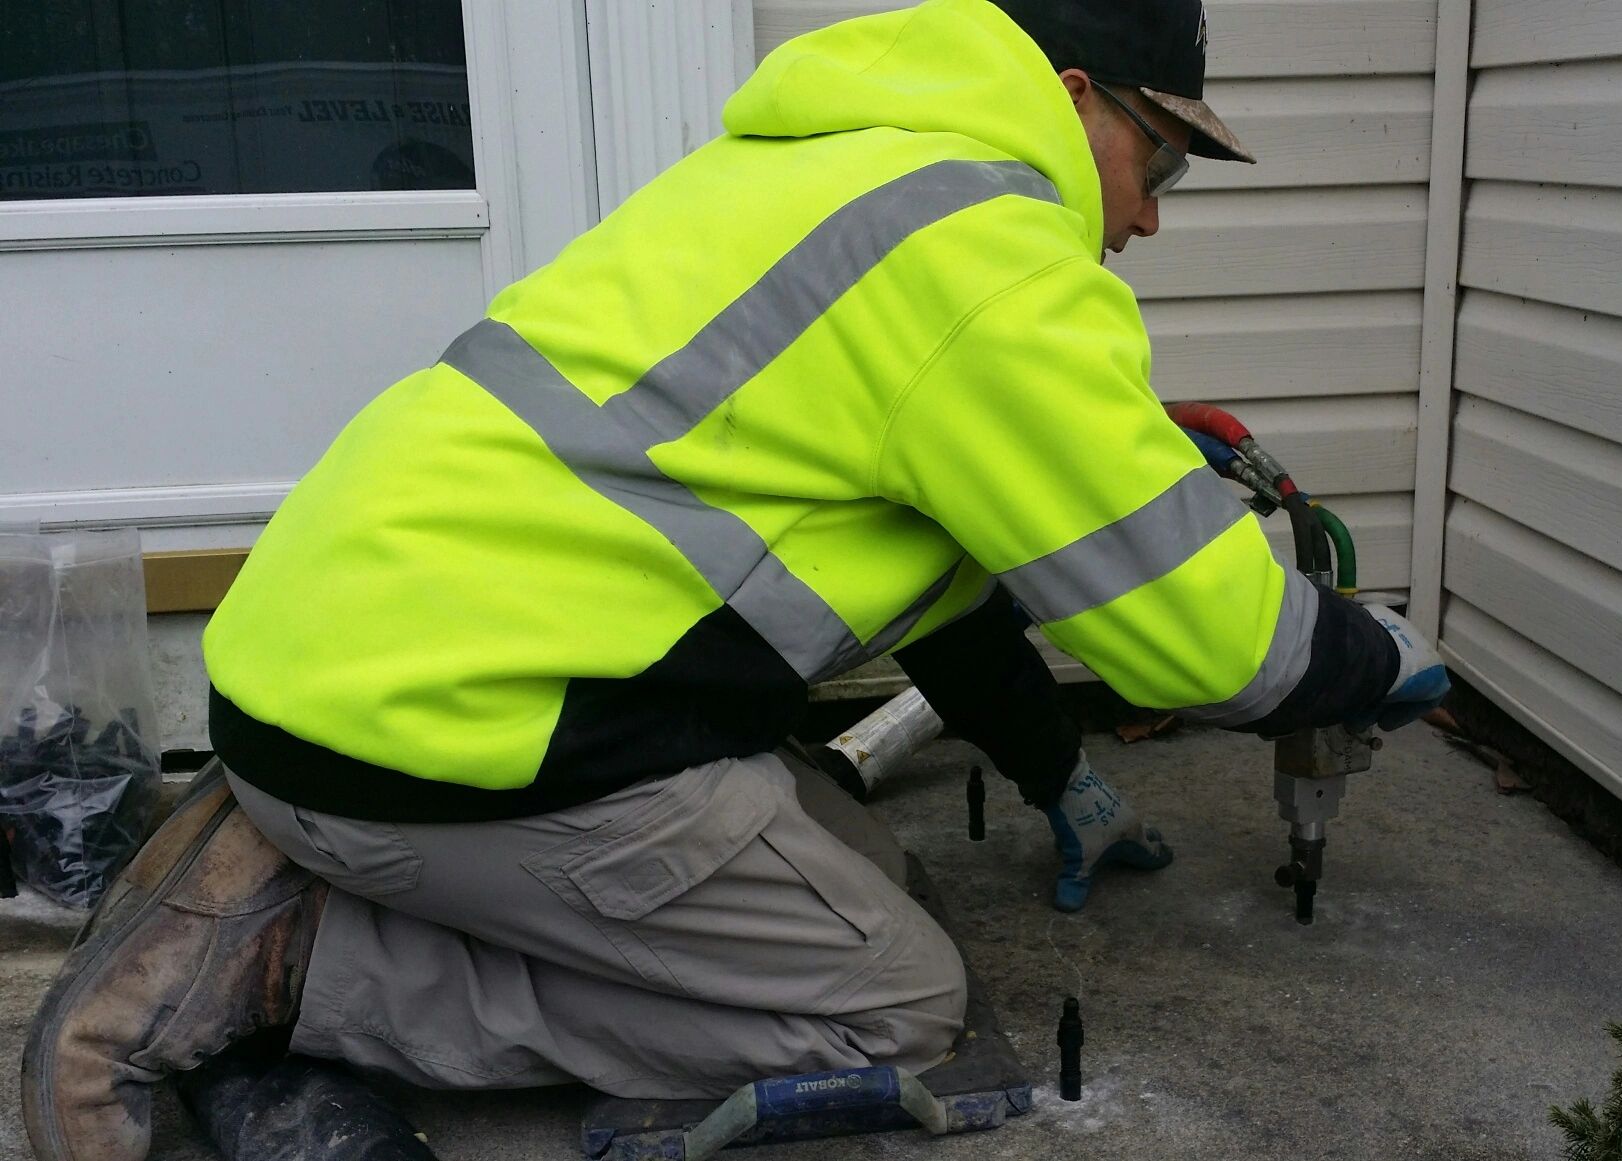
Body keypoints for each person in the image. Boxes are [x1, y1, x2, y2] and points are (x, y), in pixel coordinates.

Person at [21, 0, 1448, 1157]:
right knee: (892, 1005)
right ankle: (299, 959)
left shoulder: (824, 166)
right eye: (1163, 163)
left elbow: (944, 589)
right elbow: (1215, 643)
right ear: (1079, 94)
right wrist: (1376, 658)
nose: (1148, 219)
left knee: (865, 860)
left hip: (332, 669)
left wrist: (1050, 773)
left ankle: (287, 843)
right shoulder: (994, 257)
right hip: (440, 739)